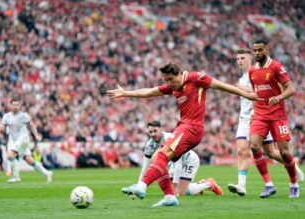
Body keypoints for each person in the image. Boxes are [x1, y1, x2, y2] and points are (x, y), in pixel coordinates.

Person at [107, 62, 260, 207]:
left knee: (160, 156)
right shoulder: (173, 86)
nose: (169, 83)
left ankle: (142, 186)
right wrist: (126, 93)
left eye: (171, 79)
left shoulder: (195, 78)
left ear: (179, 74)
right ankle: (169, 197)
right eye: (166, 80)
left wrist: (246, 94)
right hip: (184, 126)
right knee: (157, 159)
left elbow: (222, 86)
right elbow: (149, 91)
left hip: (192, 127)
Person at [227, 48, 304, 196]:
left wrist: (245, 91)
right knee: (242, 150)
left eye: (242, 58)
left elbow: (264, 93)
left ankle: (294, 169)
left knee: (272, 152)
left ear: (250, 59)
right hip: (246, 119)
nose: (239, 61)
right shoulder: (243, 78)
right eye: (237, 59)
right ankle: (242, 185)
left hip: (264, 115)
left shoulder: (260, 72)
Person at [249, 39, 300, 198]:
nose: (257, 53)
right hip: (260, 115)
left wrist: (278, 97)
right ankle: (268, 185)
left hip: (277, 115)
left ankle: (294, 183)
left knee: (284, 153)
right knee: (254, 146)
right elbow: (255, 93)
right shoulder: (251, 71)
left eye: (260, 50)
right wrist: (253, 112)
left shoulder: (276, 67)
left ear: (267, 50)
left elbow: (291, 89)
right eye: (255, 50)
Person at [122, 121, 222, 197]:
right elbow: (145, 167)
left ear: (161, 129)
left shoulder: (170, 138)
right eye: (150, 132)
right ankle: (198, 185)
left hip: (189, 160)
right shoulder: (150, 145)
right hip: (174, 164)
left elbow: (178, 162)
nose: (153, 134)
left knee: (180, 192)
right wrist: (139, 186)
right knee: (173, 189)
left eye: (155, 131)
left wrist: (174, 185)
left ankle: (208, 184)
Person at [1, 97, 53, 183]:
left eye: (17, 105)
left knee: (10, 156)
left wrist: (36, 135)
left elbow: (31, 125)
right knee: (29, 160)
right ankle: (47, 173)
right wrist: (1, 130)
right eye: (14, 105)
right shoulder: (6, 116)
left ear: (19, 106)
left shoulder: (23, 115)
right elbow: (2, 127)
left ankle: (16, 177)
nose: (15, 107)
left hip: (23, 139)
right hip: (12, 140)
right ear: (10, 106)